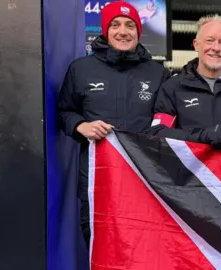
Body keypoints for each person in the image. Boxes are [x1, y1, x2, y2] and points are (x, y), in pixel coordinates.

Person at [56, 1, 170, 246]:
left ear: (139, 32)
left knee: (145, 250)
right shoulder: (81, 69)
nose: (123, 31)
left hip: (145, 180)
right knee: (101, 250)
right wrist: (80, 126)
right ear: (105, 31)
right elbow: (64, 111)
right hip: (98, 181)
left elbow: (168, 118)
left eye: (130, 25)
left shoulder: (157, 73)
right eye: (115, 24)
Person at [146, 15, 221, 149]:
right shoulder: (173, 87)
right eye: (210, 40)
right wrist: (200, 137)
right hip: (190, 170)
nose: (216, 48)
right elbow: (158, 132)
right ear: (196, 44)